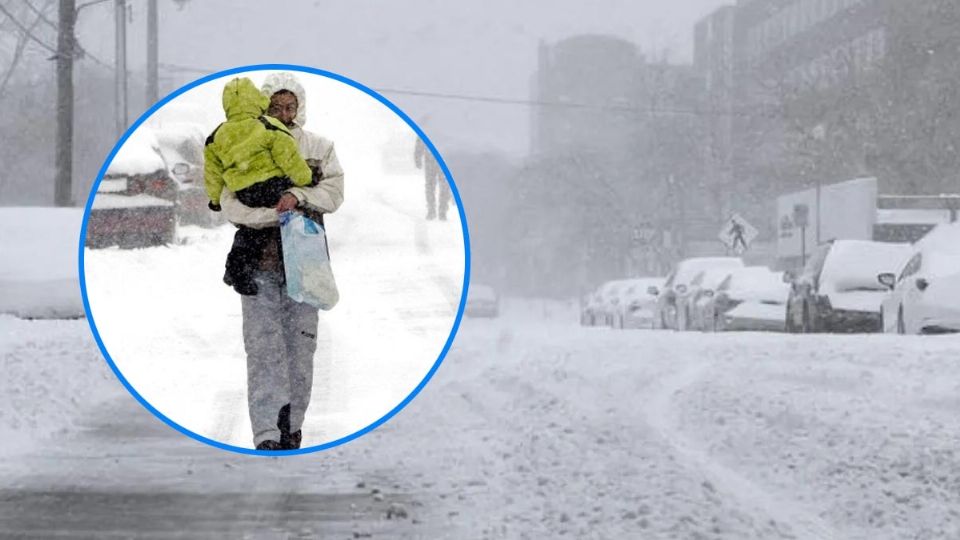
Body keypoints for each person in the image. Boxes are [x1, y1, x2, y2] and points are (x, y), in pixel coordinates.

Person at [216, 72, 345, 451]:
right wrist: (278, 215)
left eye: (291, 106)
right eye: (276, 106)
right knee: (262, 347)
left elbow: (333, 192)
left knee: (300, 347)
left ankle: (293, 426)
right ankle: (266, 433)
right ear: (263, 105)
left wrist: (296, 196)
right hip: (256, 263)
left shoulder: (319, 146)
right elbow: (230, 203)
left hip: (305, 264)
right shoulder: (239, 142)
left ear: (300, 107)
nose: (285, 113)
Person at [204, 76, 315, 296]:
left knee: (251, 231)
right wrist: (305, 178)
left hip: (244, 191)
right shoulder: (267, 126)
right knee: (280, 226)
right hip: (271, 185)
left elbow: (212, 173)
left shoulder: (216, 136)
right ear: (258, 101)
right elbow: (289, 157)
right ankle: (288, 270)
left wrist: (215, 200)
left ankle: (237, 267)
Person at [414, 132, 451, 220]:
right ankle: (432, 211)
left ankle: (441, 212)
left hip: (443, 160)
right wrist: (417, 157)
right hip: (431, 160)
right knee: (431, 186)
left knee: (444, 186)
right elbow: (420, 140)